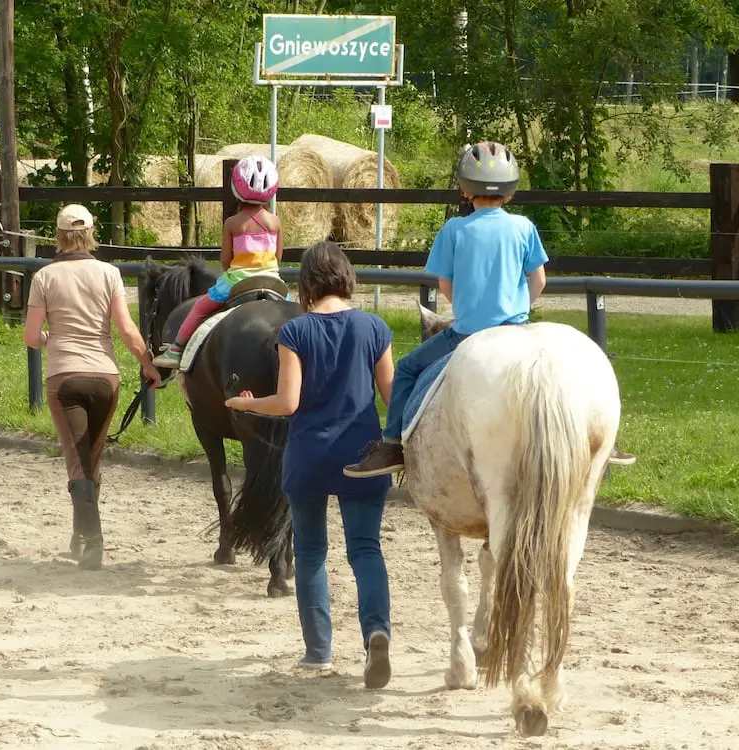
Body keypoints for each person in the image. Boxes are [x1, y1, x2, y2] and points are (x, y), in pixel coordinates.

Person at [224, 241, 395, 689]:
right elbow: (392, 397)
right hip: (363, 455)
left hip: (309, 456)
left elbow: (288, 402)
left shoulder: (295, 333)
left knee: (312, 552)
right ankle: (376, 632)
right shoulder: (374, 327)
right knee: (366, 550)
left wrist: (247, 404)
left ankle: (318, 651)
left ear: (306, 284)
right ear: (346, 277)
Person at [344, 141, 548, 478]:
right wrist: (516, 308)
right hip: (516, 328)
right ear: (510, 193)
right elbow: (538, 281)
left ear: (465, 190)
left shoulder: (453, 230)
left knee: (408, 368)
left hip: (467, 333)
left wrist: (471, 306)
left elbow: (445, 285)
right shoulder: (524, 228)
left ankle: (392, 444)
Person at [23, 203, 161, 570]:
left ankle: (94, 540)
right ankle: (80, 534)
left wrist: (51, 339)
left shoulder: (45, 277)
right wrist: (149, 365)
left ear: (58, 235)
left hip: (65, 377)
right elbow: (128, 331)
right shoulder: (109, 274)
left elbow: (31, 336)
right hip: (105, 377)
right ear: (90, 234)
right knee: (91, 459)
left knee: (76, 461)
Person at [152, 155, 283, 369]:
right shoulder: (275, 222)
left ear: (236, 188)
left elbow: (225, 260)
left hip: (238, 281)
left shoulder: (232, 223)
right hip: (271, 281)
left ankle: (176, 349)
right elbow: (278, 256)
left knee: (200, 308)